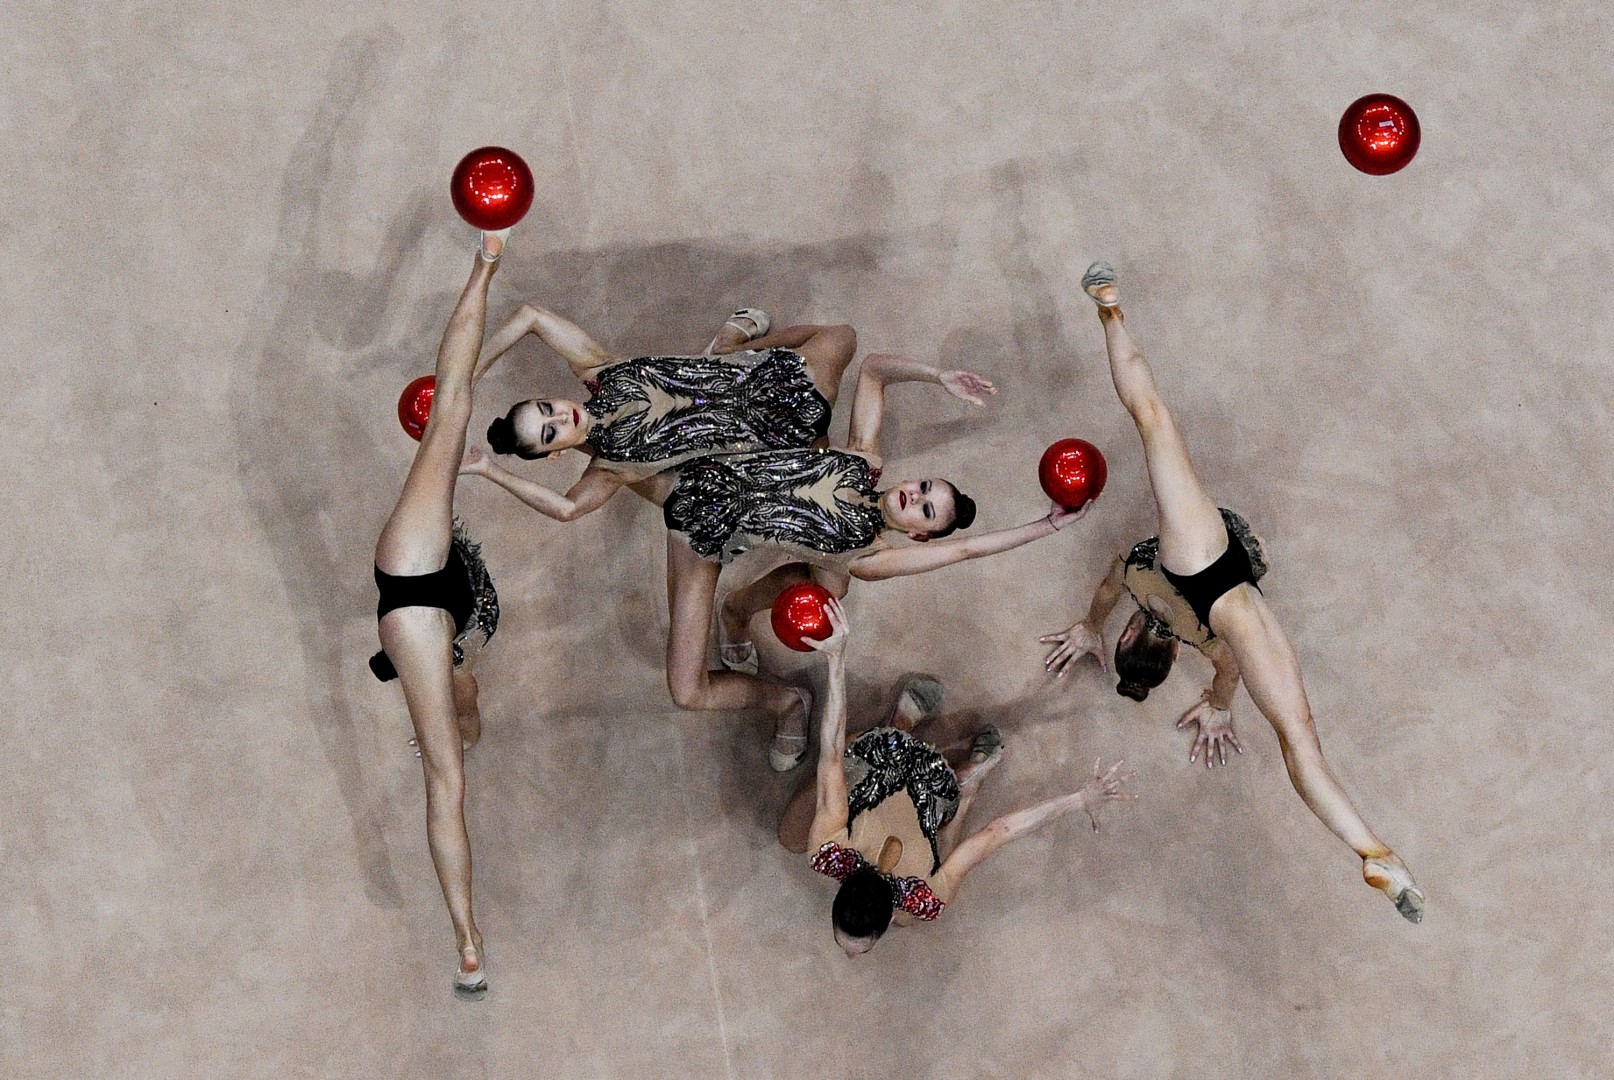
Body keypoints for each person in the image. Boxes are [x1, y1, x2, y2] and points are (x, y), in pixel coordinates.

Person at [1039, 262, 1426, 923]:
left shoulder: (1200, 639)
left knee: (1301, 740)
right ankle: (1109, 307)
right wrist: (1090, 626)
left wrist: (1215, 706)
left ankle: (1374, 849)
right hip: (1202, 560)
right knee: (1152, 415)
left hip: (1238, 604)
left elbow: (1226, 672)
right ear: (1136, 638)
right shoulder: (1147, 588)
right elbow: (1129, 598)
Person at [787, 599, 1133, 957]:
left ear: (887, 915)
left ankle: (938, 753)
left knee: (796, 836)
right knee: (825, 795)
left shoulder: (925, 898)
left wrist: (1079, 799)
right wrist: (836, 659)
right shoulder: (829, 851)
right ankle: (955, 770)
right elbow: (830, 750)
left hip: (934, 785)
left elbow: (996, 833)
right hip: (900, 763)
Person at [370, 228, 509, 1000]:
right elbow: (454, 379)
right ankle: (466, 937)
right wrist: (486, 261)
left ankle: (444, 710)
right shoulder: (434, 482)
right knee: (446, 779)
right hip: (415, 593)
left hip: (442, 620)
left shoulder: (446, 497)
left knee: (464, 713)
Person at [461, 307, 860, 517]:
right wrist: (488, 470)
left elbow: (530, 315)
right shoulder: (610, 468)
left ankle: (730, 349)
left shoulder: (598, 368)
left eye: (548, 408)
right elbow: (567, 509)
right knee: (833, 496)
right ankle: (728, 348)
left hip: (782, 375)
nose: (562, 418)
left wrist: (466, 377)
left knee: (844, 335)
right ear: (556, 453)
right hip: (788, 439)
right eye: (550, 433)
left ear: (549, 396)